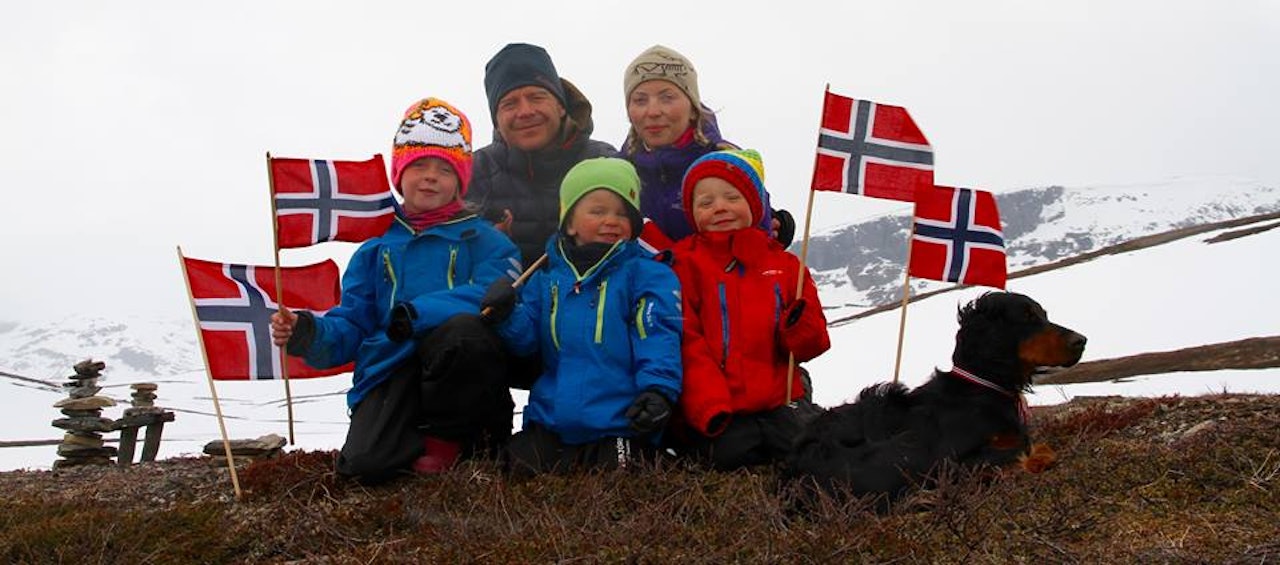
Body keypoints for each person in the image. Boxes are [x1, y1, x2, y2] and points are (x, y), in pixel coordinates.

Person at [270, 98, 522, 484]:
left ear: (461, 179)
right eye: (419, 165)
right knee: (365, 467)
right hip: (390, 365)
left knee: (464, 333)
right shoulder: (374, 246)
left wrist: (417, 314)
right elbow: (352, 322)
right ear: (399, 173)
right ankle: (416, 441)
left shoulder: (487, 241)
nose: (430, 177)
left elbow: (490, 293)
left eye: (444, 168)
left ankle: (455, 442)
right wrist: (308, 333)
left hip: (458, 369)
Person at [480, 157, 683, 475]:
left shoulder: (648, 275)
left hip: (620, 421)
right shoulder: (546, 278)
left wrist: (658, 390)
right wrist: (506, 313)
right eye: (598, 211)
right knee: (515, 470)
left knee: (620, 477)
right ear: (570, 223)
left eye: (622, 213)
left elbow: (656, 336)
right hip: (552, 418)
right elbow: (526, 340)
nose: (612, 220)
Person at [667, 149, 830, 471]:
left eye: (732, 196)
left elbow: (814, 344)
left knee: (816, 453)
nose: (720, 207)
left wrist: (799, 326)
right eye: (706, 202)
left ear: (755, 205)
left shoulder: (785, 265)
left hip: (780, 403)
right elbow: (687, 342)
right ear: (692, 213)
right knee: (726, 458)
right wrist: (710, 407)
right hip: (720, 410)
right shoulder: (683, 265)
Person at [621, 45, 794, 249]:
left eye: (667, 98)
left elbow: (759, 248)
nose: (653, 111)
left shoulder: (727, 163)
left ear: (693, 108)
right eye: (640, 100)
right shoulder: (617, 175)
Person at [468, 43, 617, 267]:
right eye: (510, 104)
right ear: (496, 120)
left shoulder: (604, 162)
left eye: (537, 97)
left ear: (561, 106)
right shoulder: (474, 172)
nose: (525, 111)